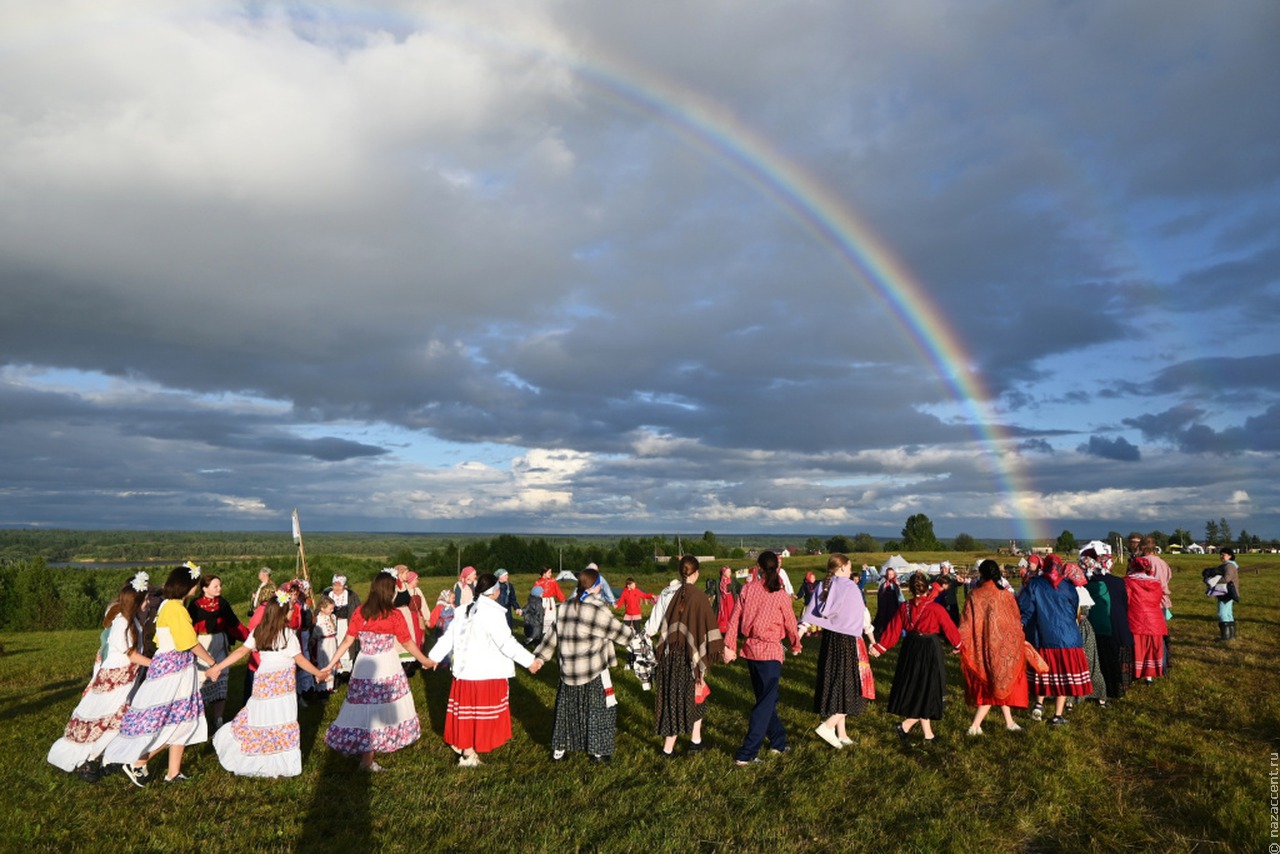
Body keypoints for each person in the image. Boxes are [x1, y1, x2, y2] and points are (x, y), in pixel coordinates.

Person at [105, 563, 217, 785]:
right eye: (195, 583)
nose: (196, 587)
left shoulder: (166, 605)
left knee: (181, 718)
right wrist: (212, 663)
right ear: (188, 585)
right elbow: (189, 642)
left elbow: (160, 639)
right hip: (174, 669)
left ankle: (173, 772)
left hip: (171, 665)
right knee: (176, 720)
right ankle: (138, 762)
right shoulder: (176, 609)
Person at [203, 592, 331, 777]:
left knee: (260, 715)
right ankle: (278, 757)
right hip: (283, 685)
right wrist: (318, 673)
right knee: (281, 716)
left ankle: (258, 752)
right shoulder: (288, 635)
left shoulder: (259, 631)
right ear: (282, 613)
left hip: (263, 682)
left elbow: (240, 652)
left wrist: (218, 667)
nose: (292, 614)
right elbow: (300, 660)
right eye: (290, 611)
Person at [426, 573, 543, 767]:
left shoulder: (463, 610)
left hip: (465, 674)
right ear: (495, 592)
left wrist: (433, 657)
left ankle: (466, 751)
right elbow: (506, 642)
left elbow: (448, 637)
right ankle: (468, 752)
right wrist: (530, 661)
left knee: (468, 716)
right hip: (484, 674)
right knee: (478, 717)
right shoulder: (492, 613)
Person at [324, 571, 435, 772]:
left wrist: (331, 664)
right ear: (389, 591)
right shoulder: (394, 615)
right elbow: (407, 643)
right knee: (381, 707)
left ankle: (366, 756)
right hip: (386, 665)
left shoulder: (360, 611)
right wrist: (424, 660)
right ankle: (368, 757)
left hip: (364, 664)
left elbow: (348, 641)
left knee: (364, 707)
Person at [48, 575, 153, 781]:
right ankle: (84, 759)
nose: (149, 603)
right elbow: (129, 654)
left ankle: (104, 757)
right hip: (113, 681)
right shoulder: (121, 623)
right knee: (101, 717)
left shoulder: (135, 622)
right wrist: (156, 664)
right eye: (146, 599)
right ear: (137, 602)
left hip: (125, 681)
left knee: (118, 719)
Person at [534, 567, 634, 763]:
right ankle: (597, 753)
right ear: (597, 587)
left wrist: (540, 658)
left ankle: (558, 751)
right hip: (592, 669)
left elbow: (553, 635)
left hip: (568, 671)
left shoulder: (564, 607)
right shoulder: (596, 609)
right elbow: (619, 632)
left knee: (566, 711)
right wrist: (637, 640)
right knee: (598, 711)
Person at [723, 551, 802, 766]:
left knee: (766, 700)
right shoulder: (780, 594)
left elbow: (734, 619)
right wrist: (796, 644)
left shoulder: (749, 589)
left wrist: (729, 644)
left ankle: (778, 741)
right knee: (765, 703)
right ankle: (746, 753)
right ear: (777, 567)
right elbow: (791, 623)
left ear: (758, 567)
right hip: (770, 653)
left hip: (752, 651)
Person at [870, 572, 961, 746]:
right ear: (926, 587)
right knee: (928, 690)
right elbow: (950, 628)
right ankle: (905, 726)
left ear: (910, 589)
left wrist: (880, 647)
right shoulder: (935, 608)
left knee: (920, 689)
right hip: (929, 648)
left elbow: (893, 629)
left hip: (910, 648)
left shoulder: (904, 607)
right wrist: (957, 646)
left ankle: (928, 736)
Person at [800, 554, 876, 749]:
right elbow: (862, 616)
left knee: (836, 682)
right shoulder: (850, 587)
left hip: (830, 641)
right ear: (842, 567)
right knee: (850, 686)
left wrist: (798, 635)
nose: (851, 571)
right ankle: (828, 726)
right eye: (850, 567)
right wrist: (871, 638)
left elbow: (810, 614)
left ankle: (841, 734)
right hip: (848, 641)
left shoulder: (823, 585)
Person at [652, 556, 723, 757]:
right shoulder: (698, 596)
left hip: (670, 658)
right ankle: (667, 750)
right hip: (686, 661)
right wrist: (722, 650)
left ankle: (695, 741)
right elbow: (709, 628)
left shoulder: (673, 594)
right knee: (681, 702)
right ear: (696, 573)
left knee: (695, 699)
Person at [1019, 555, 1092, 725]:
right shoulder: (1068, 586)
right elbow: (1075, 608)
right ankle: (1057, 715)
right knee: (1064, 675)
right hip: (1068, 637)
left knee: (1043, 672)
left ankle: (1039, 704)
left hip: (1043, 636)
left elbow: (1026, 609)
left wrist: (1021, 625)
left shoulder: (1034, 584)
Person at [957, 560, 1027, 735]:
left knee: (994, 684)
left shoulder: (974, 596)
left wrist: (960, 643)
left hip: (982, 647)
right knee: (998, 683)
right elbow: (1016, 620)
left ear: (982, 574)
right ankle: (975, 726)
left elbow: (966, 623)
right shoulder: (1006, 596)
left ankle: (1008, 722)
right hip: (1005, 647)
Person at [187, 574, 249, 730]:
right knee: (200, 681)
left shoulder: (222, 603)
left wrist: (250, 639)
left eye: (220, 585)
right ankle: (197, 720)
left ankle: (218, 719)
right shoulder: (195, 605)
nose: (219, 588)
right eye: (215, 586)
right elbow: (188, 630)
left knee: (221, 679)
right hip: (202, 645)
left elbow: (235, 624)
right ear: (205, 588)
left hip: (220, 644)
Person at [1126, 557, 1168, 684]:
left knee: (1139, 648)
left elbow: (1126, 599)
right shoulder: (1156, 583)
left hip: (1136, 618)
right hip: (1154, 619)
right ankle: (1149, 675)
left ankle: (1137, 673)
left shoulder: (1128, 581)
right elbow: (1158, 599)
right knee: (1151, 648)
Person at [1140, 537, 1174, 670]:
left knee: (1150, 636)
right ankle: (1164, 662)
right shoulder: (1163, 563)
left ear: (1142, 548)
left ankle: (1152, 664)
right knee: (1162, 634)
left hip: (1148, 602)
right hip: (1162, 601)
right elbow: (1168, 577)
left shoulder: (1143, 562)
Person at [324, 574, 361, 680]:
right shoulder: (328, 595)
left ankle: (346, 671)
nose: (337, 588)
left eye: (339, 585)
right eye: (335, 585)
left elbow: (358, 610)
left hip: (346, 624)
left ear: (344, 586)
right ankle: (336, 669)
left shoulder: (351, 596)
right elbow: (320, 608)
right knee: (334, 645)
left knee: (347, 645)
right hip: (332, 625)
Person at [1209, 548, 1240, 641]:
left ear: (1230, 556)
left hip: (1225, 592)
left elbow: (1227, 579)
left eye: (1224, 555)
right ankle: (1231, 636)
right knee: (1228, 613)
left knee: (1222, 613)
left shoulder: (1229, 566)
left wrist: (1212, 580)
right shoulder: (1230, 565)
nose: (1221, 556)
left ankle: (1225, 637)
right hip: (1229, 592)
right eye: (1221, 555)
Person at [312, 594, 339, 695]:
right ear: (322, 608)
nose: (332, 610)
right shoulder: (318, 618)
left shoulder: (333, 617)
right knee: (323, 662)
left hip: (332, 642)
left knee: (332, 661)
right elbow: (315, 632)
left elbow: (334, 630)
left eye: (333, 608)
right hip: (323, 643)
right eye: (330, 608)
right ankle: (322, 687)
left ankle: (331, 686)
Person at [705, 566, 742, 635]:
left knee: (732, 614)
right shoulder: (717, 582)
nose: (730, 573)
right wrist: (704, 596)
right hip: (722, 602)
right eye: (728, 572)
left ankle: (734, 630)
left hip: (731, 602)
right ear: (723, 573)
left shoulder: (733, 581)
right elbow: (711, 591)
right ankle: (723, 630)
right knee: (722, 616)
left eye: (730, 572)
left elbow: (741, 589)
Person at [873, 567, 902, 640]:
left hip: (893, 602)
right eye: (889, 574)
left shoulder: (896, 581)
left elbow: (906, 576)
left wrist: (898, 586)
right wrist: (883, 587)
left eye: (892, 574)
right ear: (886, 574)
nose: (890, 576)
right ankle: (882, 633)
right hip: (884, 602)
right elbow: (876, 575)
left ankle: (893, 632)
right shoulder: (883, 581)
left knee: (893, 617)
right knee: (883, 617)